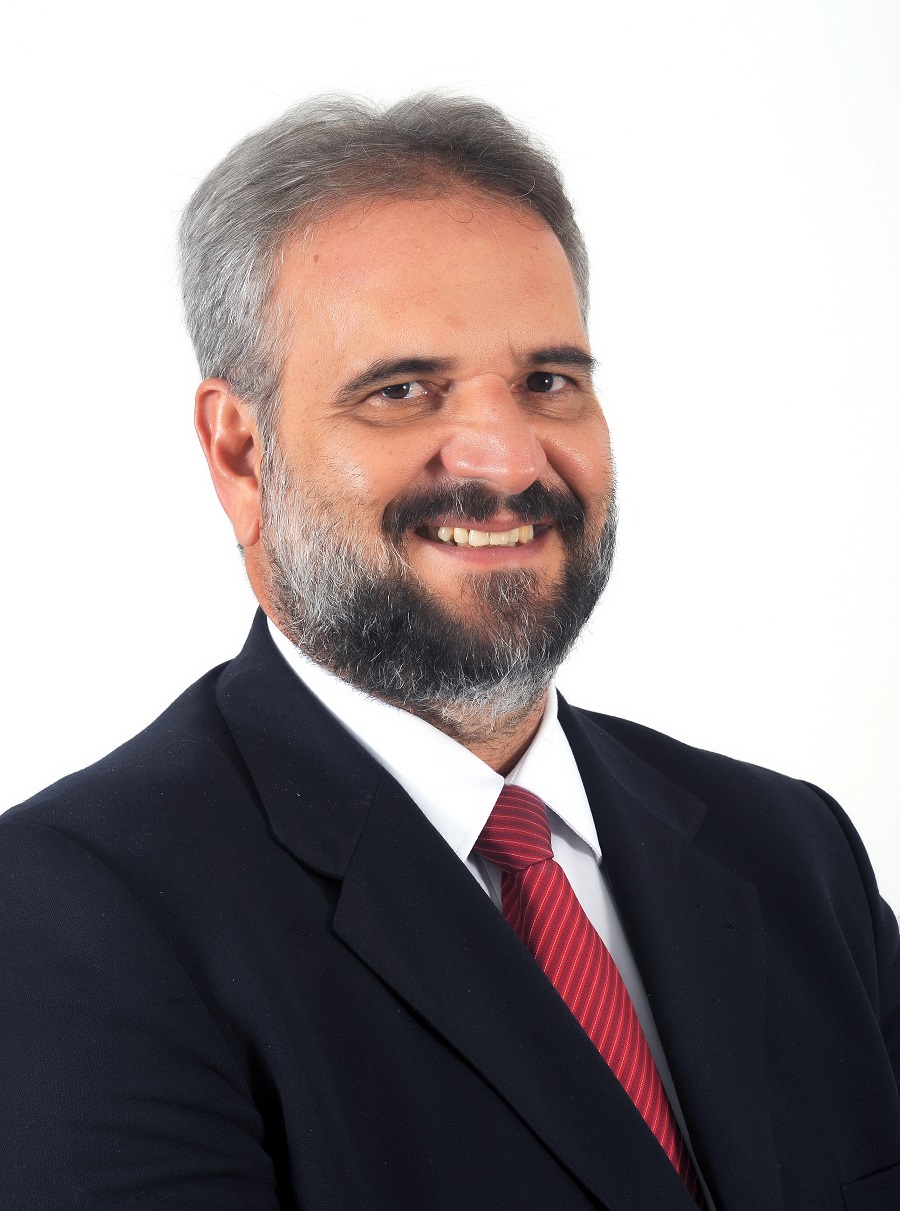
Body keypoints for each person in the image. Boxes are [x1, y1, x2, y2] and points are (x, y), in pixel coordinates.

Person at [0, 94, 896, 1211]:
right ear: (240, 453)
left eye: (547, 382)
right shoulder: (71, 914)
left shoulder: (794, 852)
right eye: (402, 390)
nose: (507, 461)